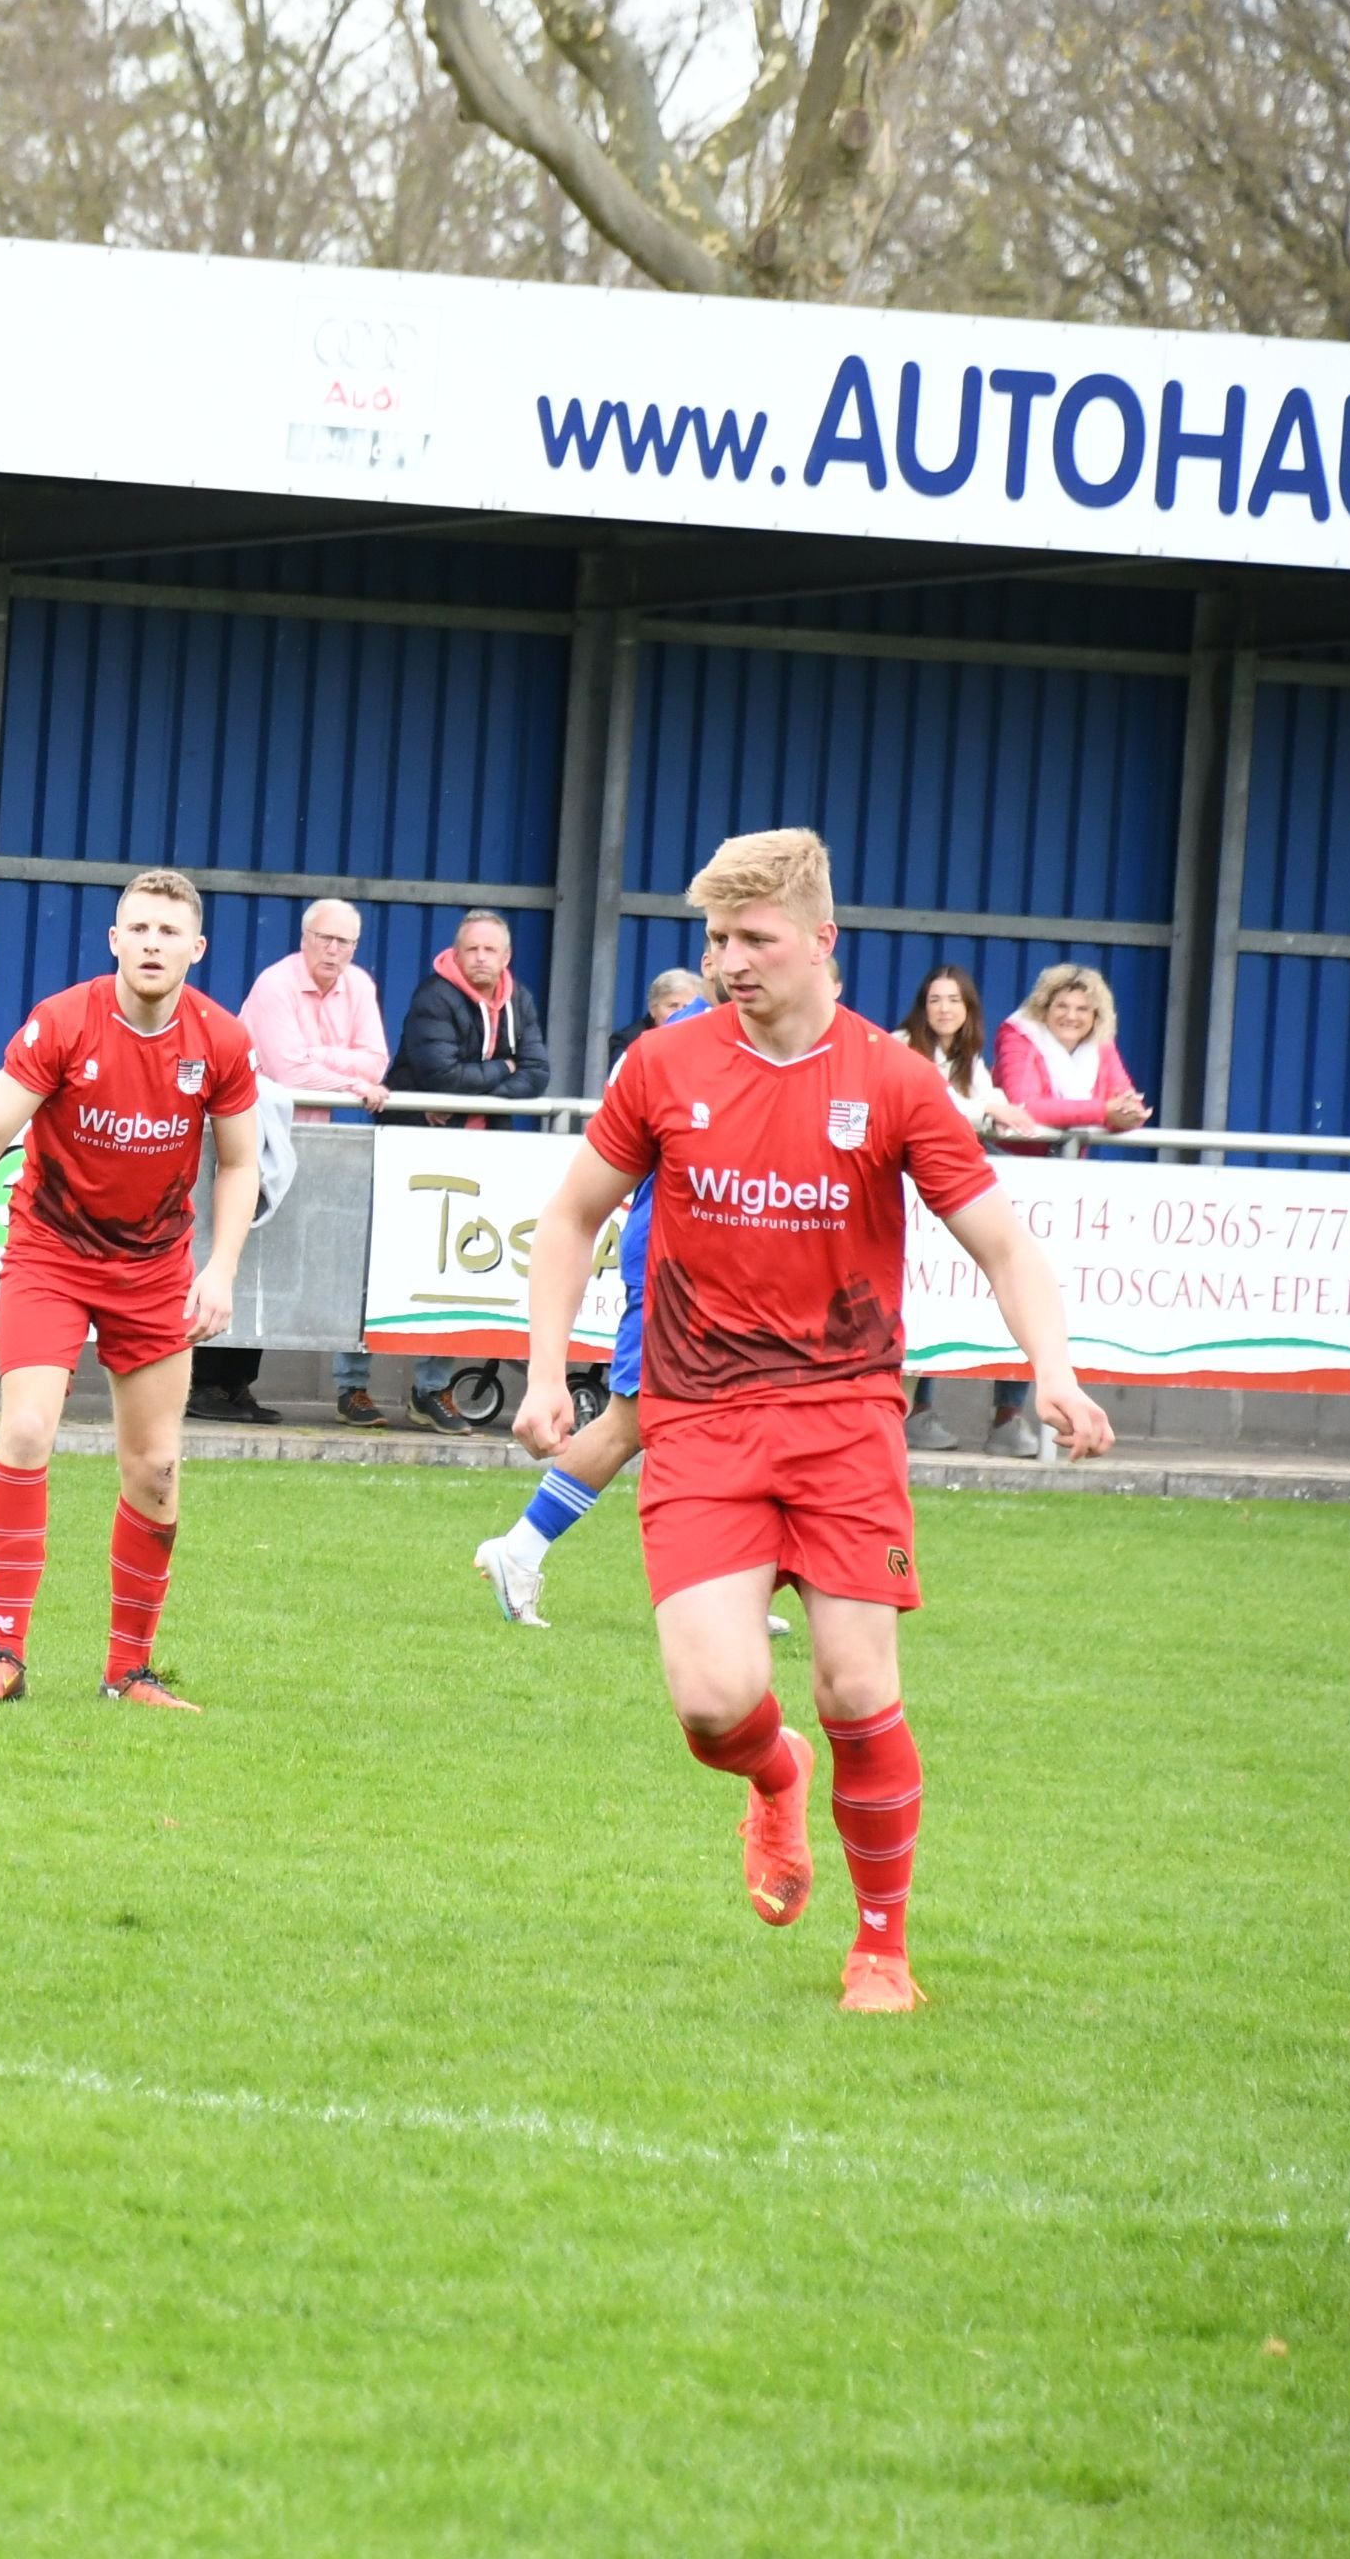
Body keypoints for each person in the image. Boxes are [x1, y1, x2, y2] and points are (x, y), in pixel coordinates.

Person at [515, 826, 1113, 2016]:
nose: (730, 960)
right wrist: (546, 1371)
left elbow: (1001, 1241)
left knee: (853, 1684)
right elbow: (572, 1215)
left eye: (754, 938)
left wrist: (1054, 1368)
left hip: (844, 1424)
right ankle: (773, 1776)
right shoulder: (664, 1066)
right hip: (698, 1423)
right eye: (717, 940)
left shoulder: (891, 1080)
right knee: (712, 1703)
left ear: (822, 941)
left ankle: (881, 1950)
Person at [0, 870, 263, 1710]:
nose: (154, 944)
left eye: (171, 932)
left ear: (196, 949)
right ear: (115, 941)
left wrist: (223, 1269)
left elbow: (240, 1163)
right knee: (24, 1428)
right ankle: (4, 1653)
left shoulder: (224, 1043)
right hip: (50, 1255)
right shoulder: (62, 1022)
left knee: (158, 1470)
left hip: (155, 1268)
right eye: (141, 930)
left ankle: (128, 1671)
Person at [472, 956, 712, 1629]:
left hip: (720, 1280)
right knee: (632, 1420)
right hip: (672, 1268)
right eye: (726, 940)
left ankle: (736, 1585)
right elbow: (581, 1204)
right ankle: (520, 1549)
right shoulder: (668, 1052)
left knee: (705, 1426)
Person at [385, 908, 551, 1428]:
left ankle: (431, 1389)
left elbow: (538, 1073)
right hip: (416, 1149)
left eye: (490, 950)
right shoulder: (432, 996)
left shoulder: (519, 999)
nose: (480, 958)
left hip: (484, 1153)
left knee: (458, 1268)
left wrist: (472, 1093)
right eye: (471, 949)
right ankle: (352, 1386)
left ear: (506, 957)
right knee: (388, 1260)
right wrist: (502, 1069)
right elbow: (439, 1073)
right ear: (456, 954)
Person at [232, 895, 393, 1424]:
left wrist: (319, 1059)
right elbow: (286, 1072)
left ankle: (234, 1387)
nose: (334, 949)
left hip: (307, 1145)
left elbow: (378, 1059)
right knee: (240, 1254)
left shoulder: (361, 986)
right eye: (325, 938)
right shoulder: (276, 984)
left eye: (345, 941)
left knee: (275, 1264)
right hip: (246, 1142)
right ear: (304, 939)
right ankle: (211, 1385)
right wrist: (351, 1080)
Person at [895, 965, 1043, 1457]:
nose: (943, 1009)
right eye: (935, 999)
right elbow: (924, 1107)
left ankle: (1007, 1416)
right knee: (928, 1299)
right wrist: (987, 1112)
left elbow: (998, 1105)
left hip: (957, 1197)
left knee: (971, 1296)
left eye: (953, 1001)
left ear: (968, 1010)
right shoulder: (901, 1045)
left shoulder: (970, 1060)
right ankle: (917, 1411)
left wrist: (999, 1110)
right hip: (915, 1194)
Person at [997, 963, 1151, 1148]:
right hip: (1008, 1160)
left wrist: (1129, 1114)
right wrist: (1104, 1111)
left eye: (1082, 1009)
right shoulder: (1019, 1035)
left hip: (1068, 1161)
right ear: (1044, 1009)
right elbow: (1024, 1106)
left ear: (1096, 1016)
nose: (1071, 1016)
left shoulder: (1101, 1043)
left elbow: (1125, 1101)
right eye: (1062, 1006)